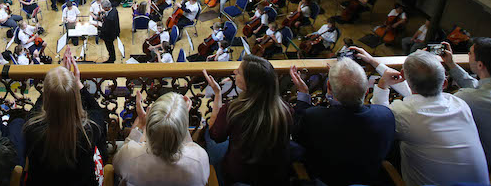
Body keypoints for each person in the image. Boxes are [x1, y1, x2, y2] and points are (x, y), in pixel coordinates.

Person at [357, 48, 490, 186]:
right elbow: (417, 95)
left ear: (404, 76)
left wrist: (383, 85)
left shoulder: (404, 114)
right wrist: (374, 62)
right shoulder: (459, 103)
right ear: (444, 82)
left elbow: (380, 118)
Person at [290, 60, 395, 186]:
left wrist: (303, 93)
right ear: (367, 89)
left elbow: (297, 138)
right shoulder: (386, 116)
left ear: (328, 87)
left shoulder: (314, 117)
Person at [203, 56, 292, 186]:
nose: (234, 72)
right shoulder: (286, 110)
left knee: (208, 133)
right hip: (273, 177)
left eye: (239, 72)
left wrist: (218, 94)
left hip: (239, 176)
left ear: (249, 83)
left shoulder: (233, 110)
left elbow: (215, 135)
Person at [23, 53, 107, 186]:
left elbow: (36, 109)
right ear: (76, 97)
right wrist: (78, 84)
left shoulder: (31, 129)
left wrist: (55, 86)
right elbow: (98, 112)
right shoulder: (90, 130)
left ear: (46, 98)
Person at [114, 91, 209, 186]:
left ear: (149, 128)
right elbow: (190, 147)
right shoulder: (199, 159)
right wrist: (181, 119)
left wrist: (140, 125)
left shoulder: (130, 156)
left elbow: (118, 163)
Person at [440, 37, 491, 170]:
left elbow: (437, 106)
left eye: (470, 53)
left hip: (490, 167)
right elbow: (477, 86)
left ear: (480, 65)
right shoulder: (488, 89)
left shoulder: (468, 97)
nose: (468, 55)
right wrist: (451, 64)